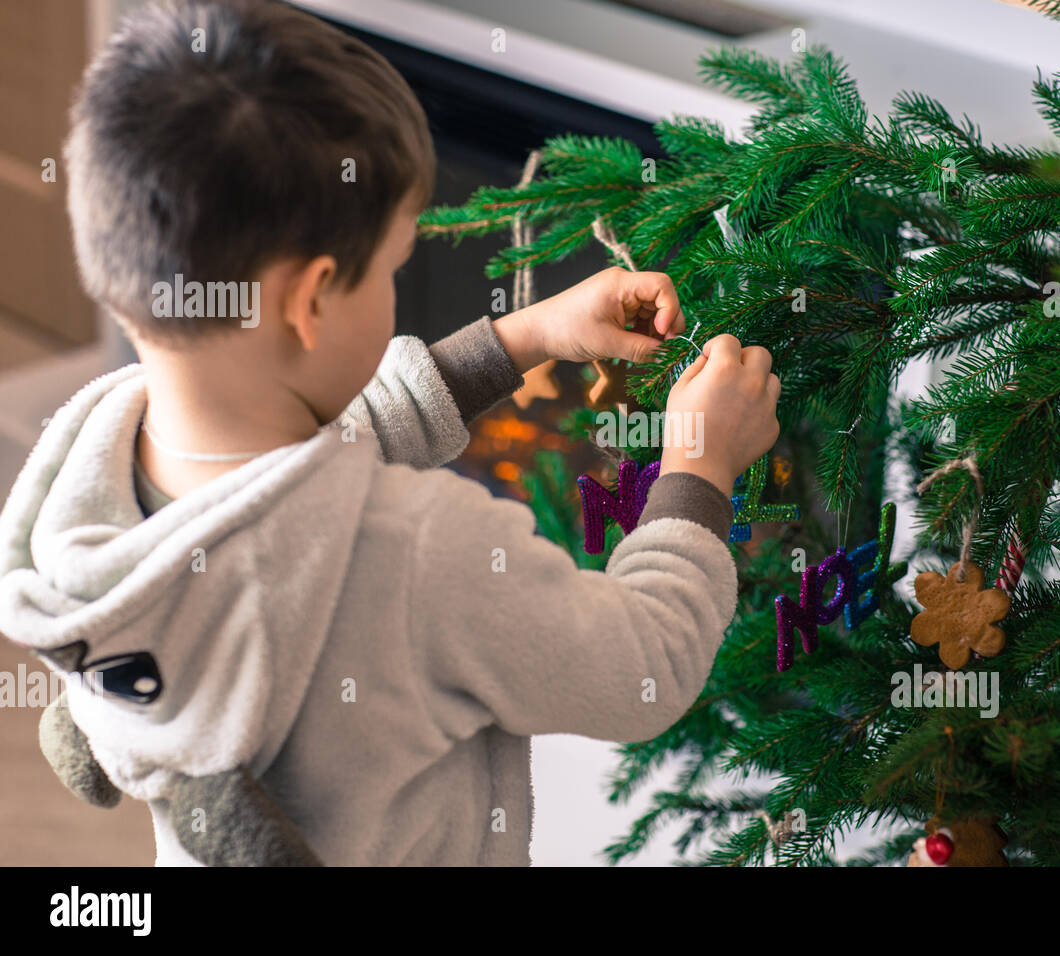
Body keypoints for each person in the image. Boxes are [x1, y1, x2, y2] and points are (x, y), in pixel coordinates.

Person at [0, 0, 780, 865]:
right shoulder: (422, 554)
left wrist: (527, 336)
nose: (398, 287)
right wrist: (698, 466)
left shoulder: (93, 473)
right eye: (391, 269)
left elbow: (305, 475)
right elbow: (644, 666)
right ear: (310, 299)